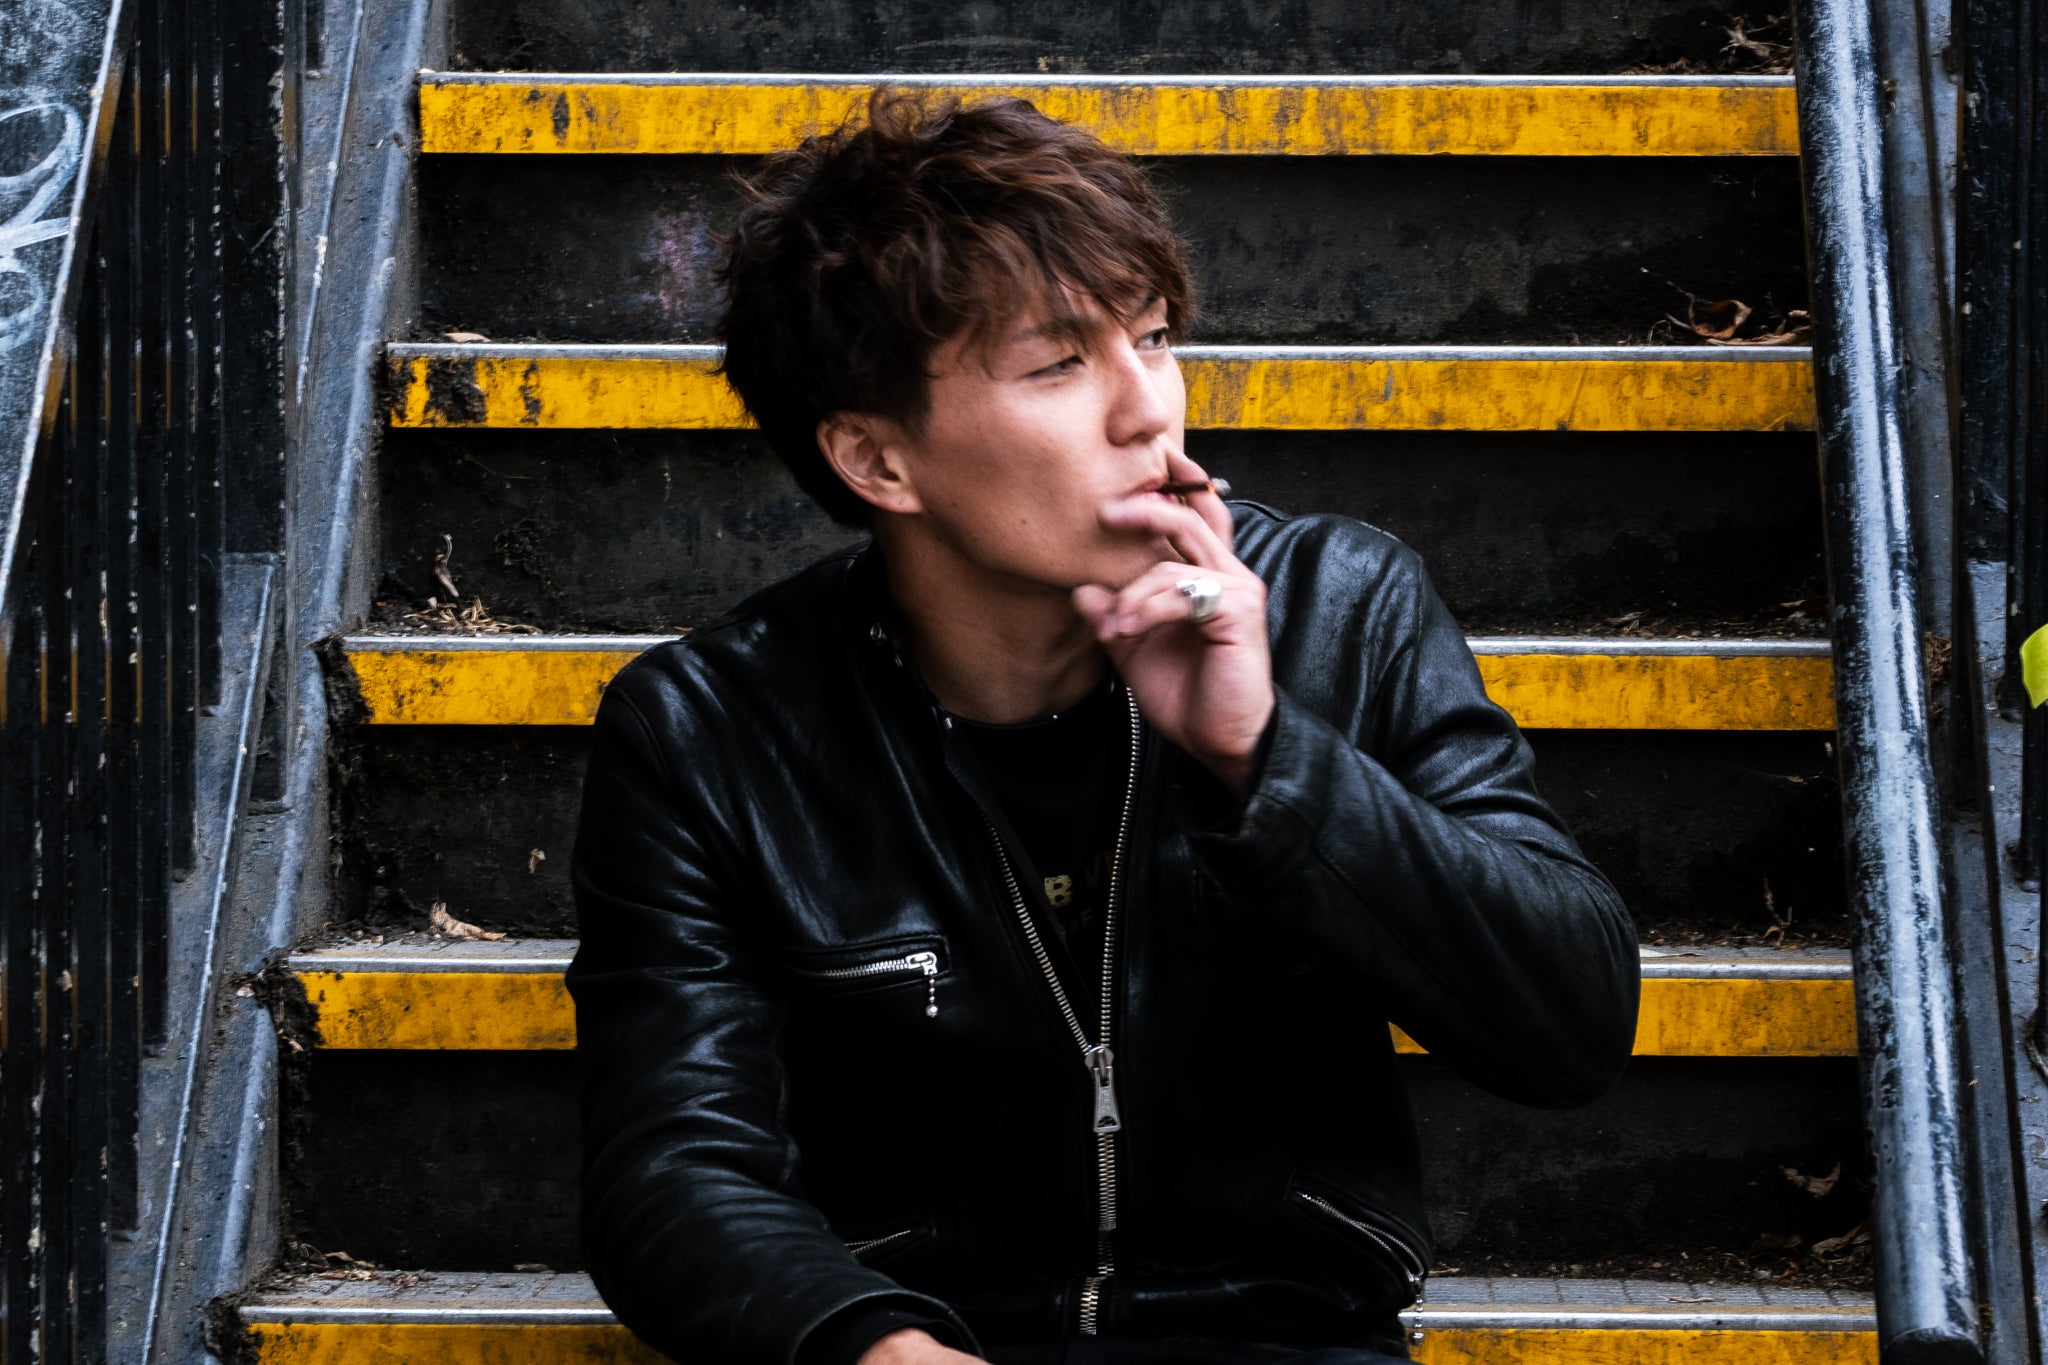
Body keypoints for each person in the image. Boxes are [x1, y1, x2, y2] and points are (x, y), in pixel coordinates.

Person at [568, 91, 1641, 1365]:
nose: (1148, 410)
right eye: (1059, 364)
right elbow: (673, 1161)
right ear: (876, 460)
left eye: (1154, 337)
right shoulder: (712, 728)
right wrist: (867, 1344)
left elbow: (1570, 1026)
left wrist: (1268, 760)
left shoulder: (1338, 611)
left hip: (1286, 1343)